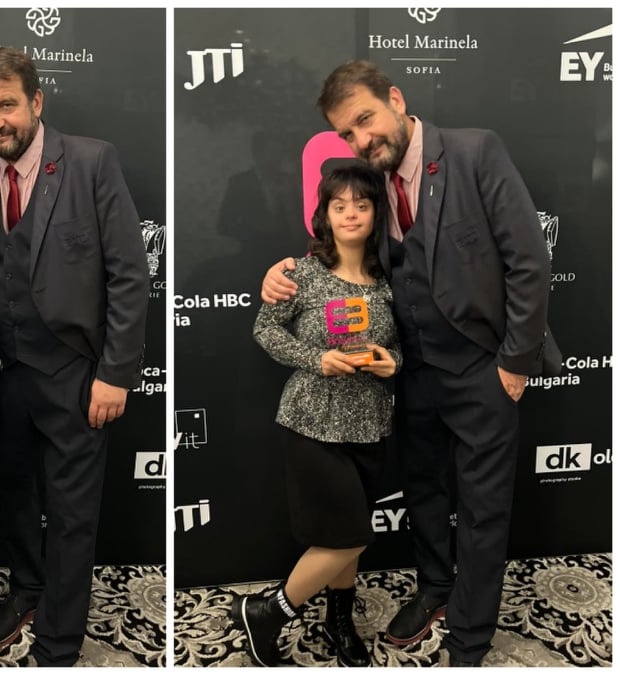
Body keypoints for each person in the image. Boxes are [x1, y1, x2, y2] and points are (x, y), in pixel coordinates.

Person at [261, 60, 561, 667]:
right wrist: (282, 273)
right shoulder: (372, 182)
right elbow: (343, 254)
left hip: (484, 369)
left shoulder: (475, 152)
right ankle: (435, 589)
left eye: (365, 120)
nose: (361, 139)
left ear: (395, 99)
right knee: (423, 490)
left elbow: (529, 261)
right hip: (411, 371)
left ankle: (470, 637)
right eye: (346, 133)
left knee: (482, 509)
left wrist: (514, 364)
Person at [0, 47, 149, 667]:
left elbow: (128, 274)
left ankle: (59, 642)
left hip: (75, 372)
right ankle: (26, 589)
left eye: (6, 105)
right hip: (0, 372)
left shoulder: (92, 161)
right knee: (16, 494)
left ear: (36, 101)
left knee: (71, 514)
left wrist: (115, 374)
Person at [231, 164, 400, 668]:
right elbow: (265, 330)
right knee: (350, 535)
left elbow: (400, 344)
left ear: (376, 213)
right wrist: (316, 359)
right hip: (312, 421)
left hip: (370, 422)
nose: (351, 214)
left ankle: (338, 621)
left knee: (342, 537)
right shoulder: (299, 273)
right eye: (339, 205)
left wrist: (393, 363)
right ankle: (269, 612)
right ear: (324, 213)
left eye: (362, 205)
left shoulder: (390, 279)